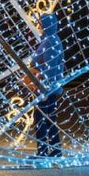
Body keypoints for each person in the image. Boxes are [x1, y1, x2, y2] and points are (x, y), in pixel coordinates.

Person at [29, 12, 65, 159]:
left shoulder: (49, 42)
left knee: (41, 120)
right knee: (49, 120)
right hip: (48, 87)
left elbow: (50, 68)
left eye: (41, 24)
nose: (39, 26)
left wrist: (43, 90)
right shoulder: (52, 40)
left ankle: (43, 152)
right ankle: (54, 150)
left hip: (46, 89)